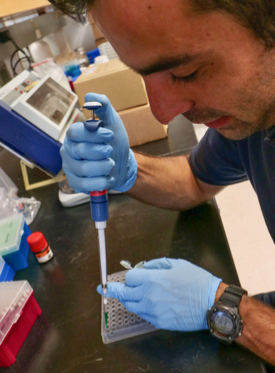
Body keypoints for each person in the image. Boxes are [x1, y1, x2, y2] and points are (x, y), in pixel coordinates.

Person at [49, 0, 275, 367]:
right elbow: (195, 179)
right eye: (143, 74)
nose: (162, 112)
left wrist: (226, 308)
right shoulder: (253, 112)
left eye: (185, 72)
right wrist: (124, 169)